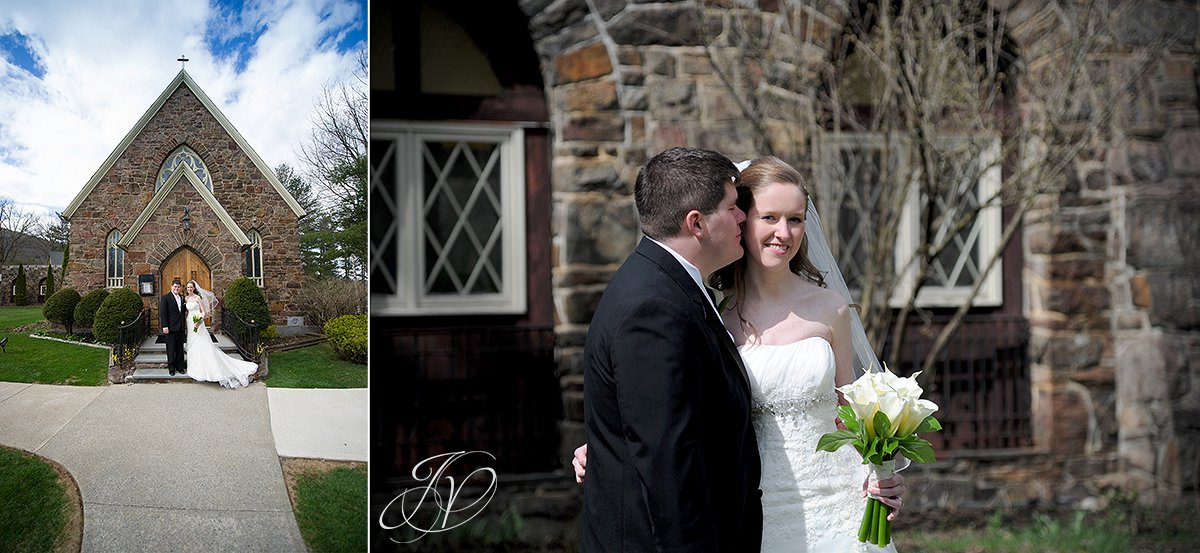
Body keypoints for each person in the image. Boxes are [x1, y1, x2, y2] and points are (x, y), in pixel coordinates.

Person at [574, 156, 906, 552]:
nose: (784, 232)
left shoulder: (831, 309)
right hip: (750, 512)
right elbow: (670, 411)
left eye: (796, 219)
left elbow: (850, 414)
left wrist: (879, 469)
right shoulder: (710, 316)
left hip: (837, 503)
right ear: (740, 221)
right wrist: (610, 446)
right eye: (767, 217)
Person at [581, 147, 763, 552]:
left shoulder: (667, 285)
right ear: (696, 223)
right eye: (732, 207)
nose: (742, 217)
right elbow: (668, 465)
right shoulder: (654, 309)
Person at [182, 280, 258, 389]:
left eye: (191, 287)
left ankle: (209, 369)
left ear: (194, 288)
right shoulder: (186, 298)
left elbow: (204, 313)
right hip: (190, 322)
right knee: (193, 344)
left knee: (202, 344)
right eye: (188, 287)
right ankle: (195, 368)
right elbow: (187, 312)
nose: (189, 289)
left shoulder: (198, 298)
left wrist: (198, 322)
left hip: (197, 323)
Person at [159, 281, 187, 376]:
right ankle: (171, 368)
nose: (177, 288)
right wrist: (164, 326)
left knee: (180, 348)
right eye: (175, 286)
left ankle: (180, 367)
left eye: (178, 287)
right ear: (171, 287)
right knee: (171, 349)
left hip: (180, 327)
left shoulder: (182, 298)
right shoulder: (165, 298)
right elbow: (163, 313)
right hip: (170, 327)